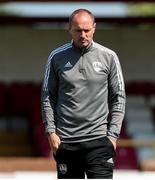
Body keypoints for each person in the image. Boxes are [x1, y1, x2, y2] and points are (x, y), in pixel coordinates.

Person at [41, 8, 126, 179]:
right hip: (67, 142)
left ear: (94, 28)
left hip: (99, 141)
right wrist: (51, 132)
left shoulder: (109, 56)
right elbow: (47, 96)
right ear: (69, 29)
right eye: (78, 30)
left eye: (87, 30)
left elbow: (119, 97)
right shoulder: (56, 57)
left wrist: (112, 136)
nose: (83, 34)